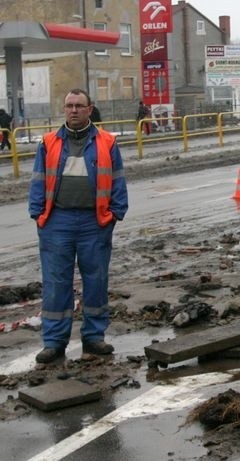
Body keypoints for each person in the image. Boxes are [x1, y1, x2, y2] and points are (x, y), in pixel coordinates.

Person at [28, 89, 128, 364]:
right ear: (64, 109)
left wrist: (116, 213)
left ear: (89, 109)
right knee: (56, 283)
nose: (73, 110)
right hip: (57, 221)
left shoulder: (106, 142)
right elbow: (38, 179)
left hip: (93, 223)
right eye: (69, 105)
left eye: (78, 106)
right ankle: (54, 342)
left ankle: (94, 337)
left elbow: (118, 178)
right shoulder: (49, 142)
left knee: (96, 280)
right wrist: (38, 214)